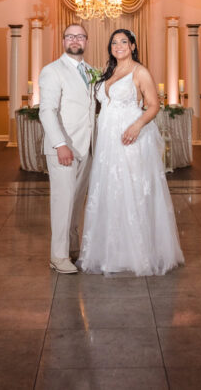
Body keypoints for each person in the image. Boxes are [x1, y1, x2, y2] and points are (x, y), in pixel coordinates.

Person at [78, 29, 184, 276]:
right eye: (114, 43)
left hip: (131, 137)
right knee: (110, 190)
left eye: (123, 42)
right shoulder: (110, 72)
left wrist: (136, 126)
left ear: (133, 46)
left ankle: (138, 253)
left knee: (132, 190)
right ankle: (111, 252)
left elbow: (154, 105)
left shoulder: (140, 72)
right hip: (107, 142)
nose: (118, 46)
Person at [38, 23, 96, 274]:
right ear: (63, 41)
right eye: (70, 36)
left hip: (87, 148)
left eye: (80, 36)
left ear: (86, 41)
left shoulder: (93, 71)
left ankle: (72, 249)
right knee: (63, 202)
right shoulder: (52, 71)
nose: (75, 40)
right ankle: (58, 256)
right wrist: (60, 144)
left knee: (76, 202)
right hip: (63, 148)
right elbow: (46, 111)